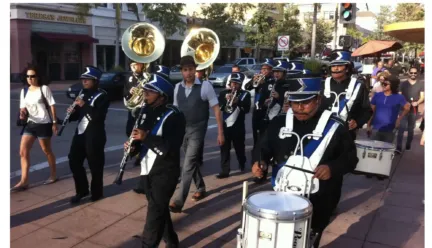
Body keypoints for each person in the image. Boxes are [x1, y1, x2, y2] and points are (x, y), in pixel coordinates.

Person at [251, 77, 358, 248]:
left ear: (318, 99)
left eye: (306, 102)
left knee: (310, 239)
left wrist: (332, 167)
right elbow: (262, 147)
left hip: (320, 197)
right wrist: (259, 161)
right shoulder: (278, 123)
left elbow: (351, 159)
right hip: (283, 193)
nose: (299, 108)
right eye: (294, 103)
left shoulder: (335, 126)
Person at [124, 74, 185, 248]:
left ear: (162, 95)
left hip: (165, 172)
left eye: (150, 92)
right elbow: (139, 140)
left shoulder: (175, 116)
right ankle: (172, 242)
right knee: (159, 208)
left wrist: (146, 137)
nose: (145, 94)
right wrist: (132, 146)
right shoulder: (145, 111)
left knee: (153, 217)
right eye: (145, 91)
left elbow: (170, 148)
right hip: (147, 169)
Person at [169, 55, 225, 212]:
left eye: (191, 69)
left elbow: (216, 109)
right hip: (182, 130)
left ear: (195, 70)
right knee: (191, 162)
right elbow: (175, 111)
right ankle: (200, 187)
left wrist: (220, 132)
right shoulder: (177, 88)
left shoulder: (205, 86)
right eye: (185, 70)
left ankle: (179, 201)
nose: (188, 73)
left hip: (197, 129)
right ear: (181, 71)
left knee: (188, 163)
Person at [12, 65, 58, 191]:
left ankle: (53, 175)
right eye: (28, 76)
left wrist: (54, 122)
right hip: (30, 124)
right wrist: (22, 113)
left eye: (32, 76)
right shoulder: (24, 91)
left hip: (44, 124)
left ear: (38, 77)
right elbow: (23, 108)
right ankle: (24, 181)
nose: (30, 79)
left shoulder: (44, 89)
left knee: (46, 150)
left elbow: (52, 106)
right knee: (23, 151)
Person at [67, 66, 109, 204]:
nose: (84, 81)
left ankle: (97, 192)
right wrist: (71, 113)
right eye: (83, 79)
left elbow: (97, 116)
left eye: (87, 79)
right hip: (80, 133)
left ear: (95, 81)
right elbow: (79, 115)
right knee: (74, 160)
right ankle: (82, 190)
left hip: (94, 135)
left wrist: (84, 105)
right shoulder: (82, 93)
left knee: (95, 164)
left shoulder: (102, 96)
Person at [322, 50, 372, 140]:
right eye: (333, 66)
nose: (336, 69)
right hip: (322, 133)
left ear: (347, 68)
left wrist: (357, 122)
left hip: (346, 135)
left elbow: (367, 110)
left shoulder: (359, 85)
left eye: (340, 65)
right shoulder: (322, 84)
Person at [217, 72, 251, 178]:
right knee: (224, 148)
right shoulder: (223, 93)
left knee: (239, 148)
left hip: (238, 126)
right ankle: (225, 170)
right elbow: (220, 108)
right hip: (226, 125)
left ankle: (242, 162)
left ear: (240, 84)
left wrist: (238, 101)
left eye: (236, 83)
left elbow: (247, 109)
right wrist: (225, 100)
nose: (234, 85)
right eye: (232, 83)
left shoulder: (246, 94)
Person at [367, 75, 410, 143]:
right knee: (374, 151)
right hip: (376, 128)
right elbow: (372, 111)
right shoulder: (377, 95)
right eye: (382, 83)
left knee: (386, 152)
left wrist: (399, 119)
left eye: (385, 84)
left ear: (393, 85)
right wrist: (368, 124)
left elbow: (407, 108)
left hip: (390, 129)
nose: (383, 85)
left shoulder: (399, 97)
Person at [124, 60, 148, 167]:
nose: (133, 66)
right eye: (132, 65)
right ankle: (136, 150)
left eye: (136, 64)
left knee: (143, 129)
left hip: (144, 107)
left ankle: (140, 154)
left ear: (142, 64)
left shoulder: (146, 76)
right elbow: (124, 92)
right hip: (133, 107)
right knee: (130, 129)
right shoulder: (129, 77)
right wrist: (129, 92)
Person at [396, 67, 424, 153]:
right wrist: (404, 103)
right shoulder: (403, 84)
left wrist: (417, 102)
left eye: (415, 73)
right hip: (403, 109)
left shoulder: (420, 84)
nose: (413, 74)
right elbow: (399, 96)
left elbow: (422, 96)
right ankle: (398, 147)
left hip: (413, 109)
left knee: (411, 128)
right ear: (408, 73)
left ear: (417, 73)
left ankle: (408, 144)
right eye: (411, 72)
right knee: (401, 128)